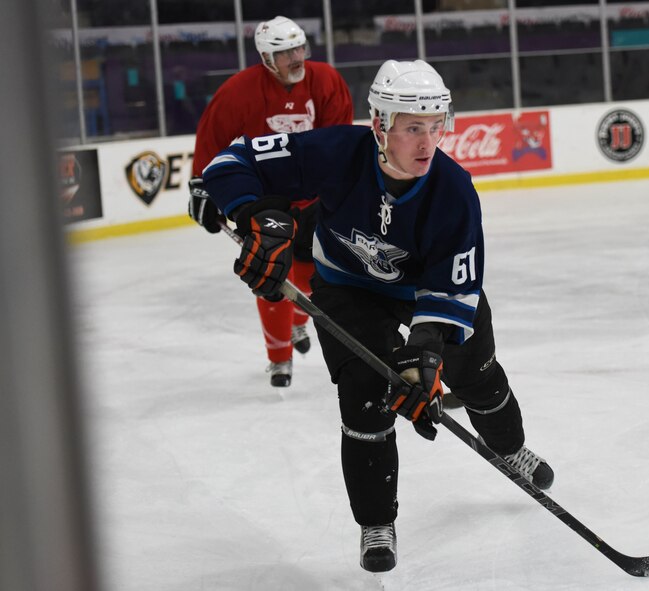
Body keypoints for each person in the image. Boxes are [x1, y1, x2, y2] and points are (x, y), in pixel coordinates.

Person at [201, 59, 554, 573]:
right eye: (413, 128)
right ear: (380, 125)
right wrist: (258, 213)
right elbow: (230, 162)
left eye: (437, 127)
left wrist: (426, 354)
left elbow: (452, 289)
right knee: (364, 400)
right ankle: (375, 521)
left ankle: (510, 449)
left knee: (473, 373)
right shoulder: (337, 151)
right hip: (347, 289)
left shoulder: (453, 191)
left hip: (424, 292)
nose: (428, 144)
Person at [188, 15, 353, 387]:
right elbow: (212, 138)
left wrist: (336, 190)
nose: (297, 58)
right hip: (265, 196)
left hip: (314, 194)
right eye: (285, 53)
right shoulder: (238, 91)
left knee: (313, 278)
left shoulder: (326, 80)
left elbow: (339, 139)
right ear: (266, 58)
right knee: (271, 271)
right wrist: (201, 184)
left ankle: (298, 321)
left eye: (300, 49)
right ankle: (279, 357)